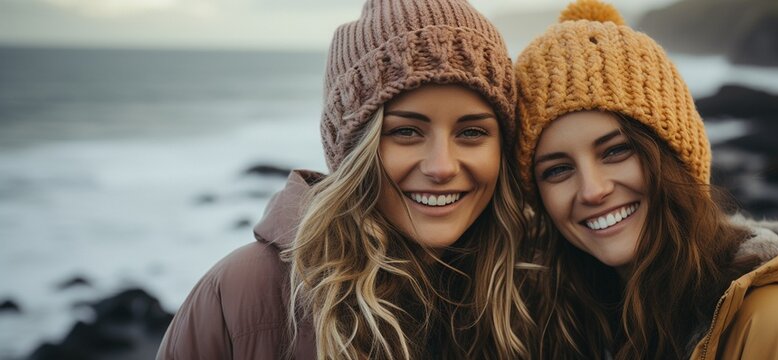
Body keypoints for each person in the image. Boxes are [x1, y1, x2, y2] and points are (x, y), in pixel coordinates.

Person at [157, 0, 535, 359]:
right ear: (352, 150)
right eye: (405, 132)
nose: (442, 167)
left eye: (471, 133)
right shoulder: (243, 292)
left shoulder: (536, 293)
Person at [514, 1, 778, 359]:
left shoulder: (775, 321)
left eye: (615, 151)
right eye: (557, 170)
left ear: (675, 156)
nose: (592, 190)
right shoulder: (564, 324)